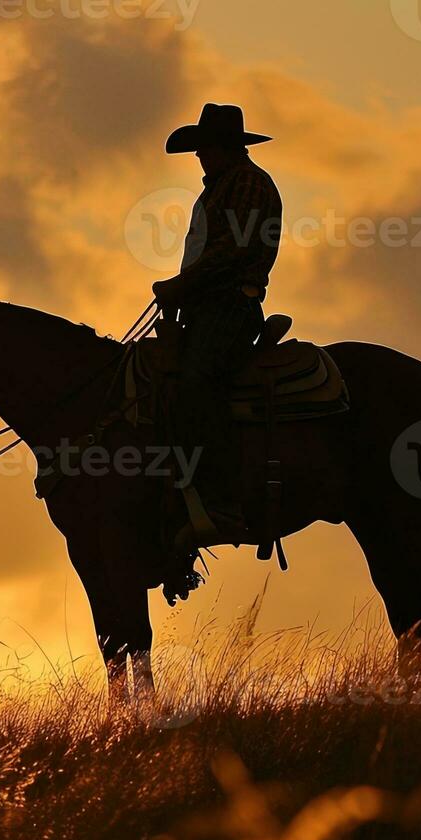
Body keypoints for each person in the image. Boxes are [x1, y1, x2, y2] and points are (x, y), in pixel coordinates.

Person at [150, 103, 283, 551]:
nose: (199, 158)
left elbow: (230, 253)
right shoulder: (227, 186)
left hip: (230, 308)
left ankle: (222, 502)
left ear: (224, 148)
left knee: (198, 383)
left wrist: (181, 286)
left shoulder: (247, 185)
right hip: (208, 308)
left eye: (204, 149)